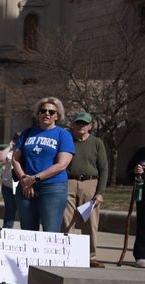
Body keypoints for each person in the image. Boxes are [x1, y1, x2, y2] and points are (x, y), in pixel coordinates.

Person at [12, 97, 74, 233]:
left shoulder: (63, 134)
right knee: (28, 232)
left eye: (51, 112)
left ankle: (49, 255)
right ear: (38, 113)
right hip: (26, 186)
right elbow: (15, 159)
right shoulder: (27, 133)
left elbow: (62, 165)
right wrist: (24, 179)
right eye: (43, 110)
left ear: (57, 116)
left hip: (53, 188)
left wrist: (34, 178)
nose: (47, 114)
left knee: (50, 231)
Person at [61, 112, 106, 266]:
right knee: (67, 221)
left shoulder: (97, 143)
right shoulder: (67, 140)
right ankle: (68, 255)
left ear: (90, 126)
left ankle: (91, 257)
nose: (81, 126)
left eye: (84, 124)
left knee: (91, 222)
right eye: (78, 123)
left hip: (90, 184)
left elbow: (104, 169)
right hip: (69, 182)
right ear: (73, 125)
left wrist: (100, 192)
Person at [125, 147, 145, 268]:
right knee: (143, 225)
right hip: (143, 194)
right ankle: (141, 255)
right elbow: (128, 172)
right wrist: (135, 171)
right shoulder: (141, 153)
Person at [0, 132, 20, 229]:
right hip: (8, 186)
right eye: (15, 137)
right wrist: (10, 145)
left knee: (24, 211)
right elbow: (0, 158)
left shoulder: (25, 150)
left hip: (20, 186)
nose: (17, 139)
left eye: (19, 138)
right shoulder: (10, 151)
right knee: (9, 210)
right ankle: (7, 230)